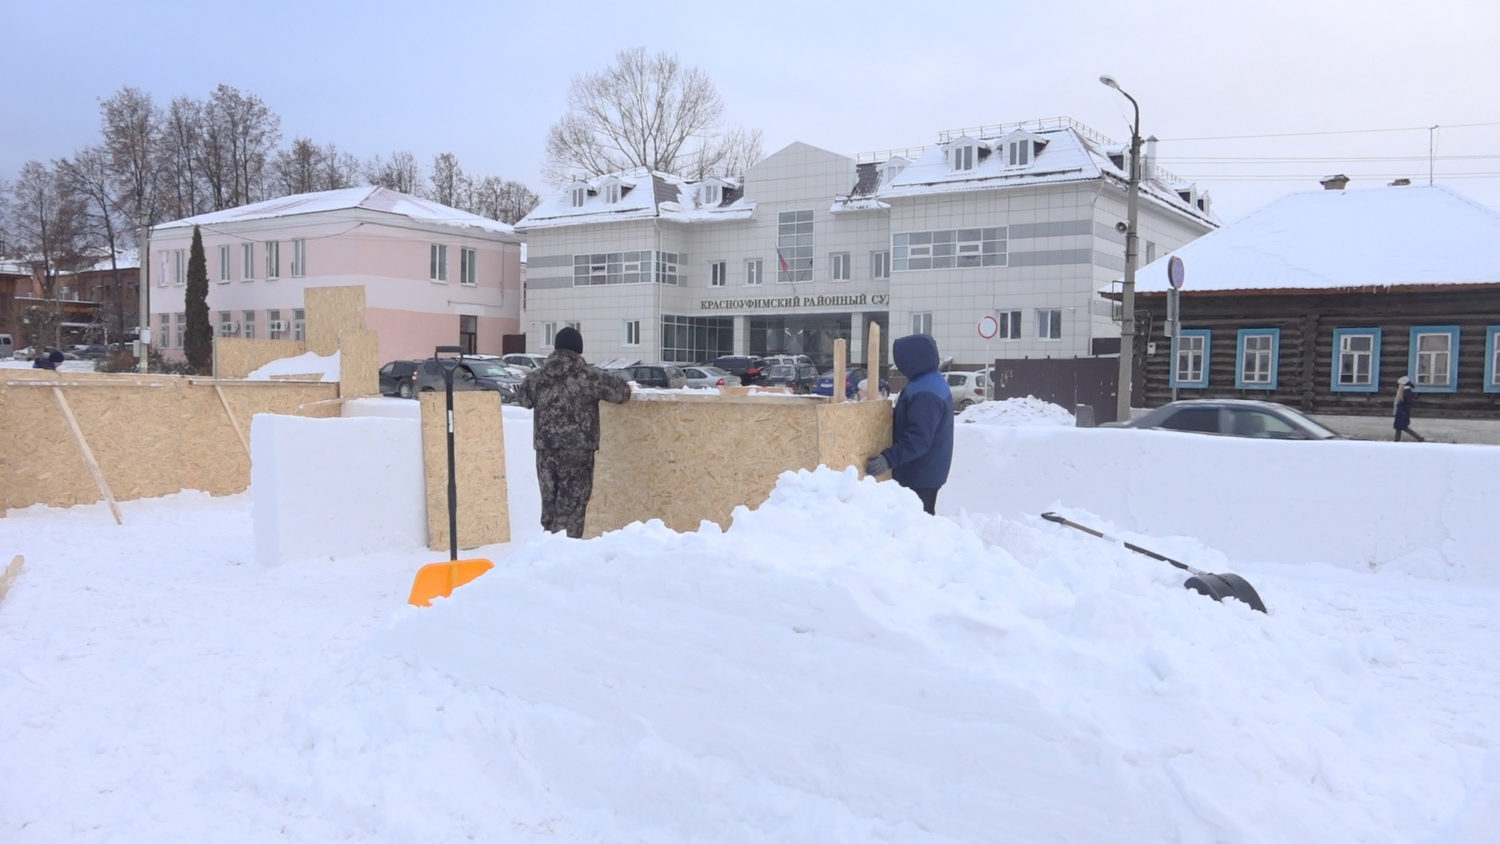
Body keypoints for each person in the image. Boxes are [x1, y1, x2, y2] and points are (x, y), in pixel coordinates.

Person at [515, 327, 631, 538]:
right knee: (572, 510)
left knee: (550, 507)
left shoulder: (537, 377)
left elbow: (522, 399)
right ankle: (565, 556)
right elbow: (621, 392)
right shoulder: (588, 376)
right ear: (579, 349)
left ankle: (547, 551)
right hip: (577, 453)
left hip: (546, 452)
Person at [864, 334, 954, 515]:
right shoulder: (928, 382)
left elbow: (918, 439)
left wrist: (888, 459)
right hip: (926, 471)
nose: (899, 367)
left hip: (920, 475)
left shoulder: (925, 393)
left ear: (913, 359)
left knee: (916, 526)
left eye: (901, 361)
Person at [1393, 375, 1424, 442]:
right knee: (1399, 427)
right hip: (1401, 411)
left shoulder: (1407, 391)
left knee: (1403, 427)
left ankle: (1419, 438)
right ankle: (1396, 440)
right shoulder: (1403, 391)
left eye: (1400, 384)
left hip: (1403, 412)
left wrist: (1403, 410)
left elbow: (1408, 402)